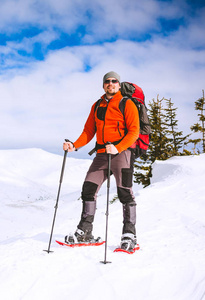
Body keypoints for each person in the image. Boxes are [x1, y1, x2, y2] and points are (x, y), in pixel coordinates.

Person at [63, 71, 139, 251]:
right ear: (103, 85)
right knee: (88, 189)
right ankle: (85, 231)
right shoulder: (97, 105)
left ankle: (129, 234)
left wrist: (118, 148)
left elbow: (134, 131)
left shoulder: (126, 103)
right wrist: (74, 145)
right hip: (101, 155)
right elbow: (89, 131)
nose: (110, 84)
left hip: (122, 154)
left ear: (119, 85)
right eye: (107, 81)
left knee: (125, 193)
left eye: (114, 81)